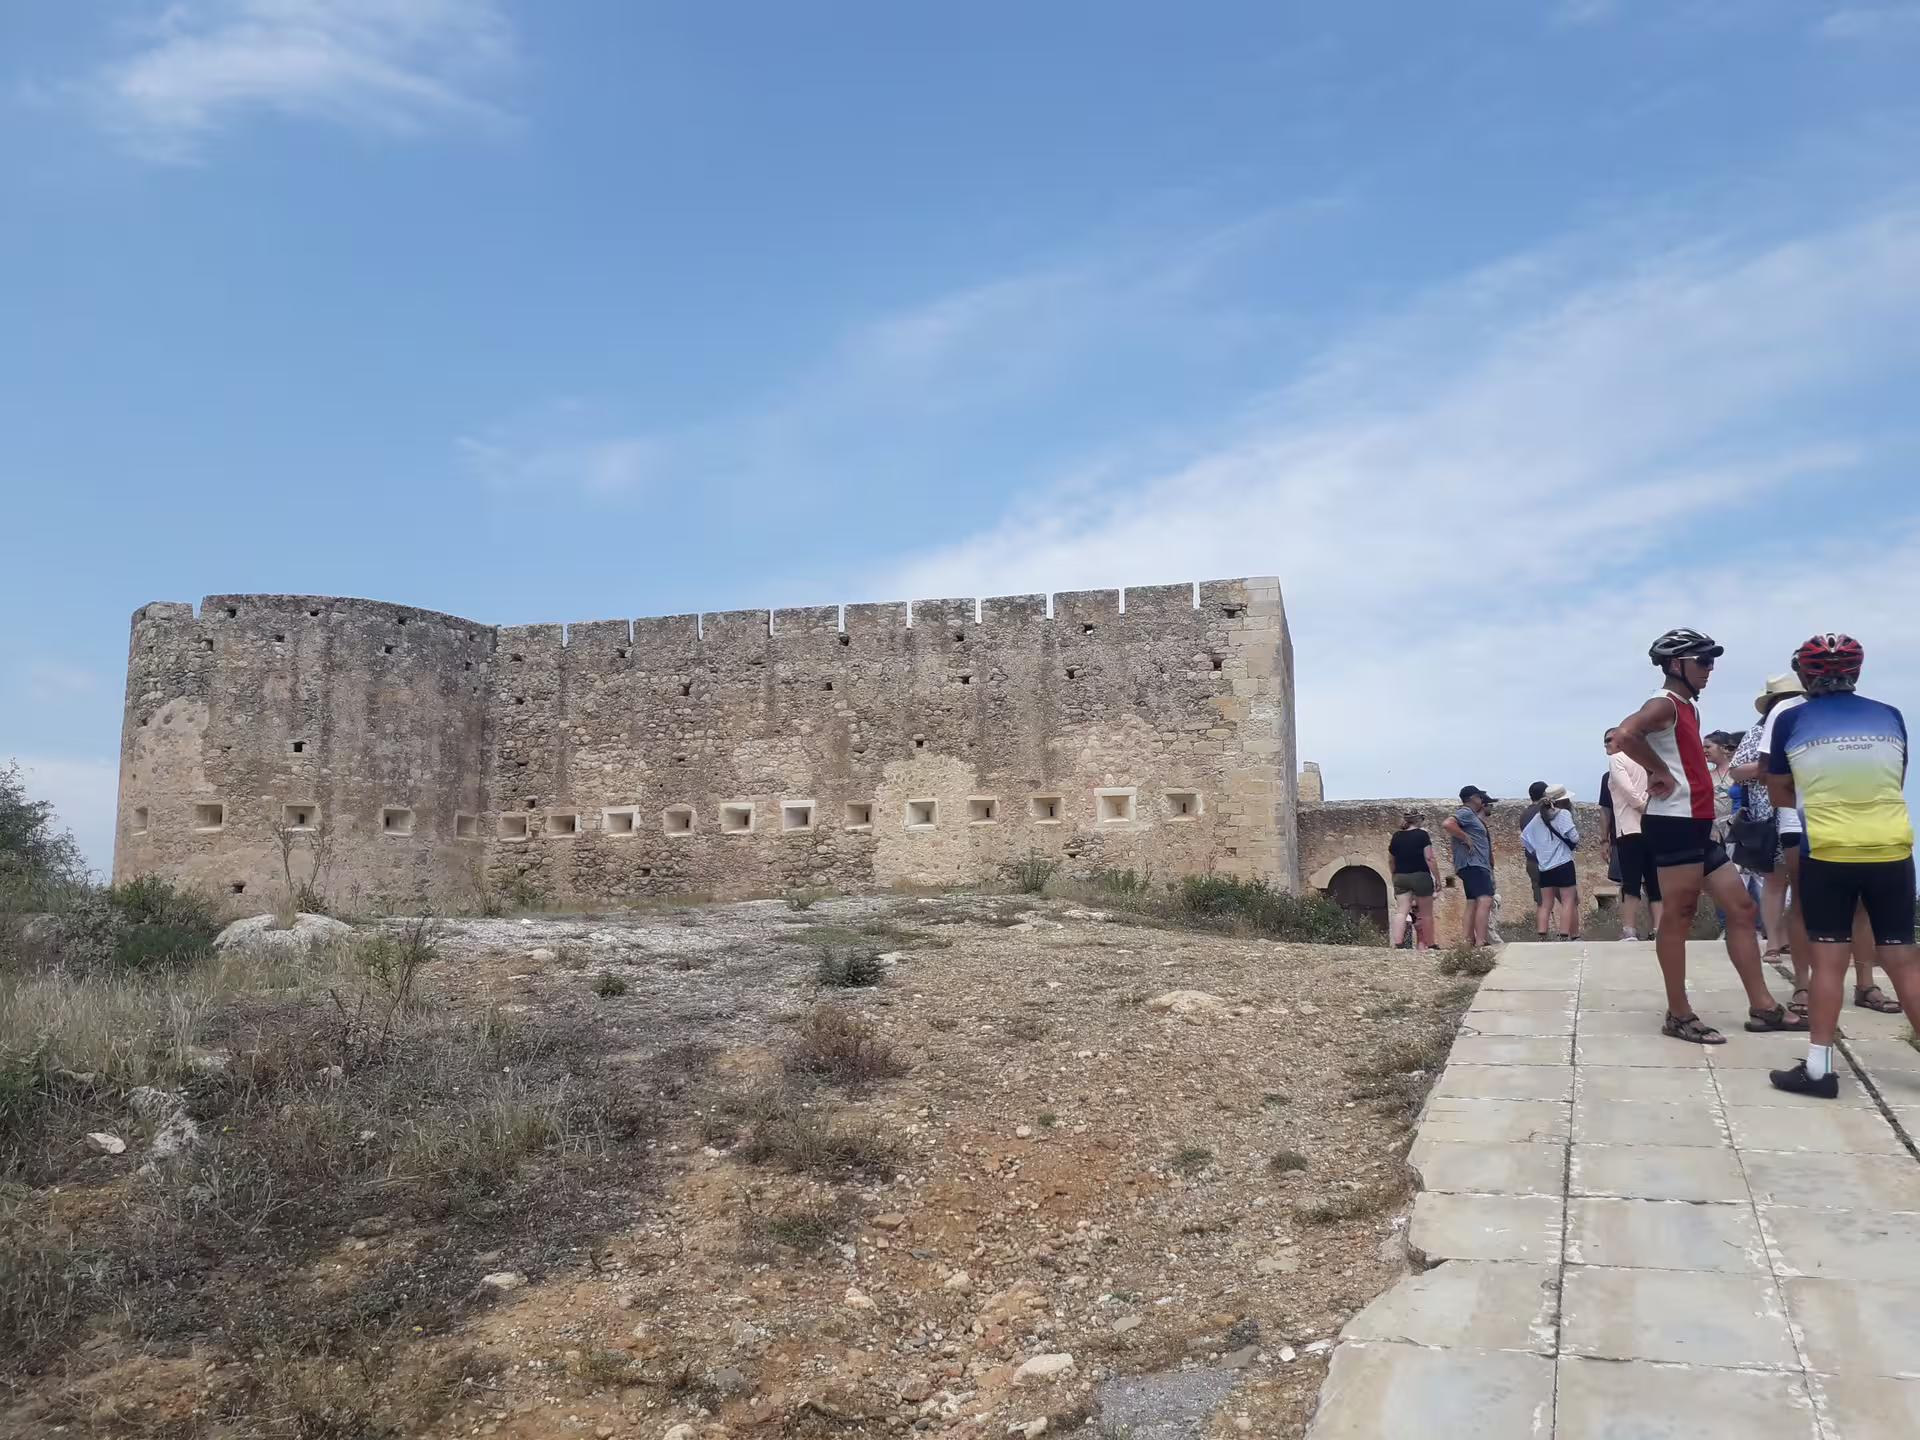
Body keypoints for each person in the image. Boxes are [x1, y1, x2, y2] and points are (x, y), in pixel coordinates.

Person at [1611, 628, 1798, 1044]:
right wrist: (1657, 771)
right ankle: (1678, 1014)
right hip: (1674, 823)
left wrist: (1663, 769)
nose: (1710, 669)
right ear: (1677, 664)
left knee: (1741, 907)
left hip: (1695, 823)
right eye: (1703, 661)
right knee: (1679, 916)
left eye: (1711, 661)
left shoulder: (1685, 708)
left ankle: (1763, 1006)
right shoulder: (1664, 703)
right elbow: (1624, 736)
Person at [1767, 633, 1920, 1098]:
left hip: (1828, 849)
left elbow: (1779, 793)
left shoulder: (1791, 718)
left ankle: (1819, 1071)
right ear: (1855, 673)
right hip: (1892, 847)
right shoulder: (1889, 715)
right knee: (1904, 960)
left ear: (1807, 676)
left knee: (1828, 961)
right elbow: (1898, 777)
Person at [1732, 675, 1805, 969]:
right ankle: (1774, 942)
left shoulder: (1808, 729)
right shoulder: (1757, 733)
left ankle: (1796, 938)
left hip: (1806, 813)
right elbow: (1737, 772)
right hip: (1769, 815)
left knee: (1804, 883)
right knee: (1774, 882)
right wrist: (1770, 767)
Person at [1608, 730, 1663, 941]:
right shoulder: (1649, 760)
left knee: (1631, 882)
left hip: (1630, 827)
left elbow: (1627, 790)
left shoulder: (1617, 759)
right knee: (1654, 882)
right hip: (1653, 827)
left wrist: (1642, 806)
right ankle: (1658, 929)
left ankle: (1629, 930)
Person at [1522, 783, 1581, 940]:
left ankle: (1542, 934)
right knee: (1568, 901)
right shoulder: (1563, 815)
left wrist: (1538, 851)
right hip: (1563, 862)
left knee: (1546, 903)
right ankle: (1564, 935)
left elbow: (1525, 838)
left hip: (1544, 865)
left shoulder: (1537, 817)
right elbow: (1574, 837)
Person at [1444, 786, 1497, 947]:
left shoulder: (1471, 815)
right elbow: (1447, 823)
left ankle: (1468, 941)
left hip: (1471, 864)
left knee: (1472, 901)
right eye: (1480, 797)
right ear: (1473, 798)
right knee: (1485, 900)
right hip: (1474, 863)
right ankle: (1481, 941)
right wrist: (1465, 838)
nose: (1482, 800)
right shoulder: (1466, 812)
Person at [1387, 810, 1440, 950]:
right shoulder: (1422, 835)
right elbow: (1429, 858)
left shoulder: (1396, 836)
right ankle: (1431, 944)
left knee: (1401, 911)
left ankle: (1398, 943)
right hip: (1420, 875)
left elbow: (1391, 860)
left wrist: (1394, 874)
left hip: (1400, 876)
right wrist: (1437, 878)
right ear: (1418, 820)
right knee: (1426, 913)